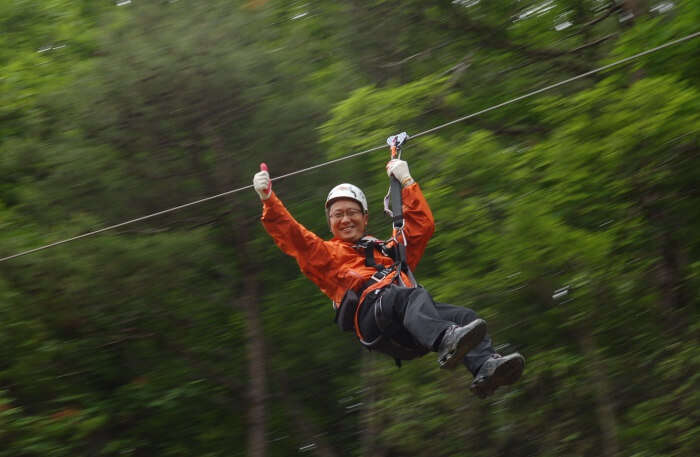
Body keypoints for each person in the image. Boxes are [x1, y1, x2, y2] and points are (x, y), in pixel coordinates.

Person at [252, 159, 524, 398]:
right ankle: (446, 339)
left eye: (352, 213)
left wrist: (406, 181)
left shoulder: (387, 251)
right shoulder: (327, 255)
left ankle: (486, 369)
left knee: (465, 316)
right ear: (330, 222)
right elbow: (295, 237)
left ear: (365, 218)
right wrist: (268, 199)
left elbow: (422, 228)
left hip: (411, 328)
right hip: (374, 318)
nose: (346, 219)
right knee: (408, 295)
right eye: (338, 215)